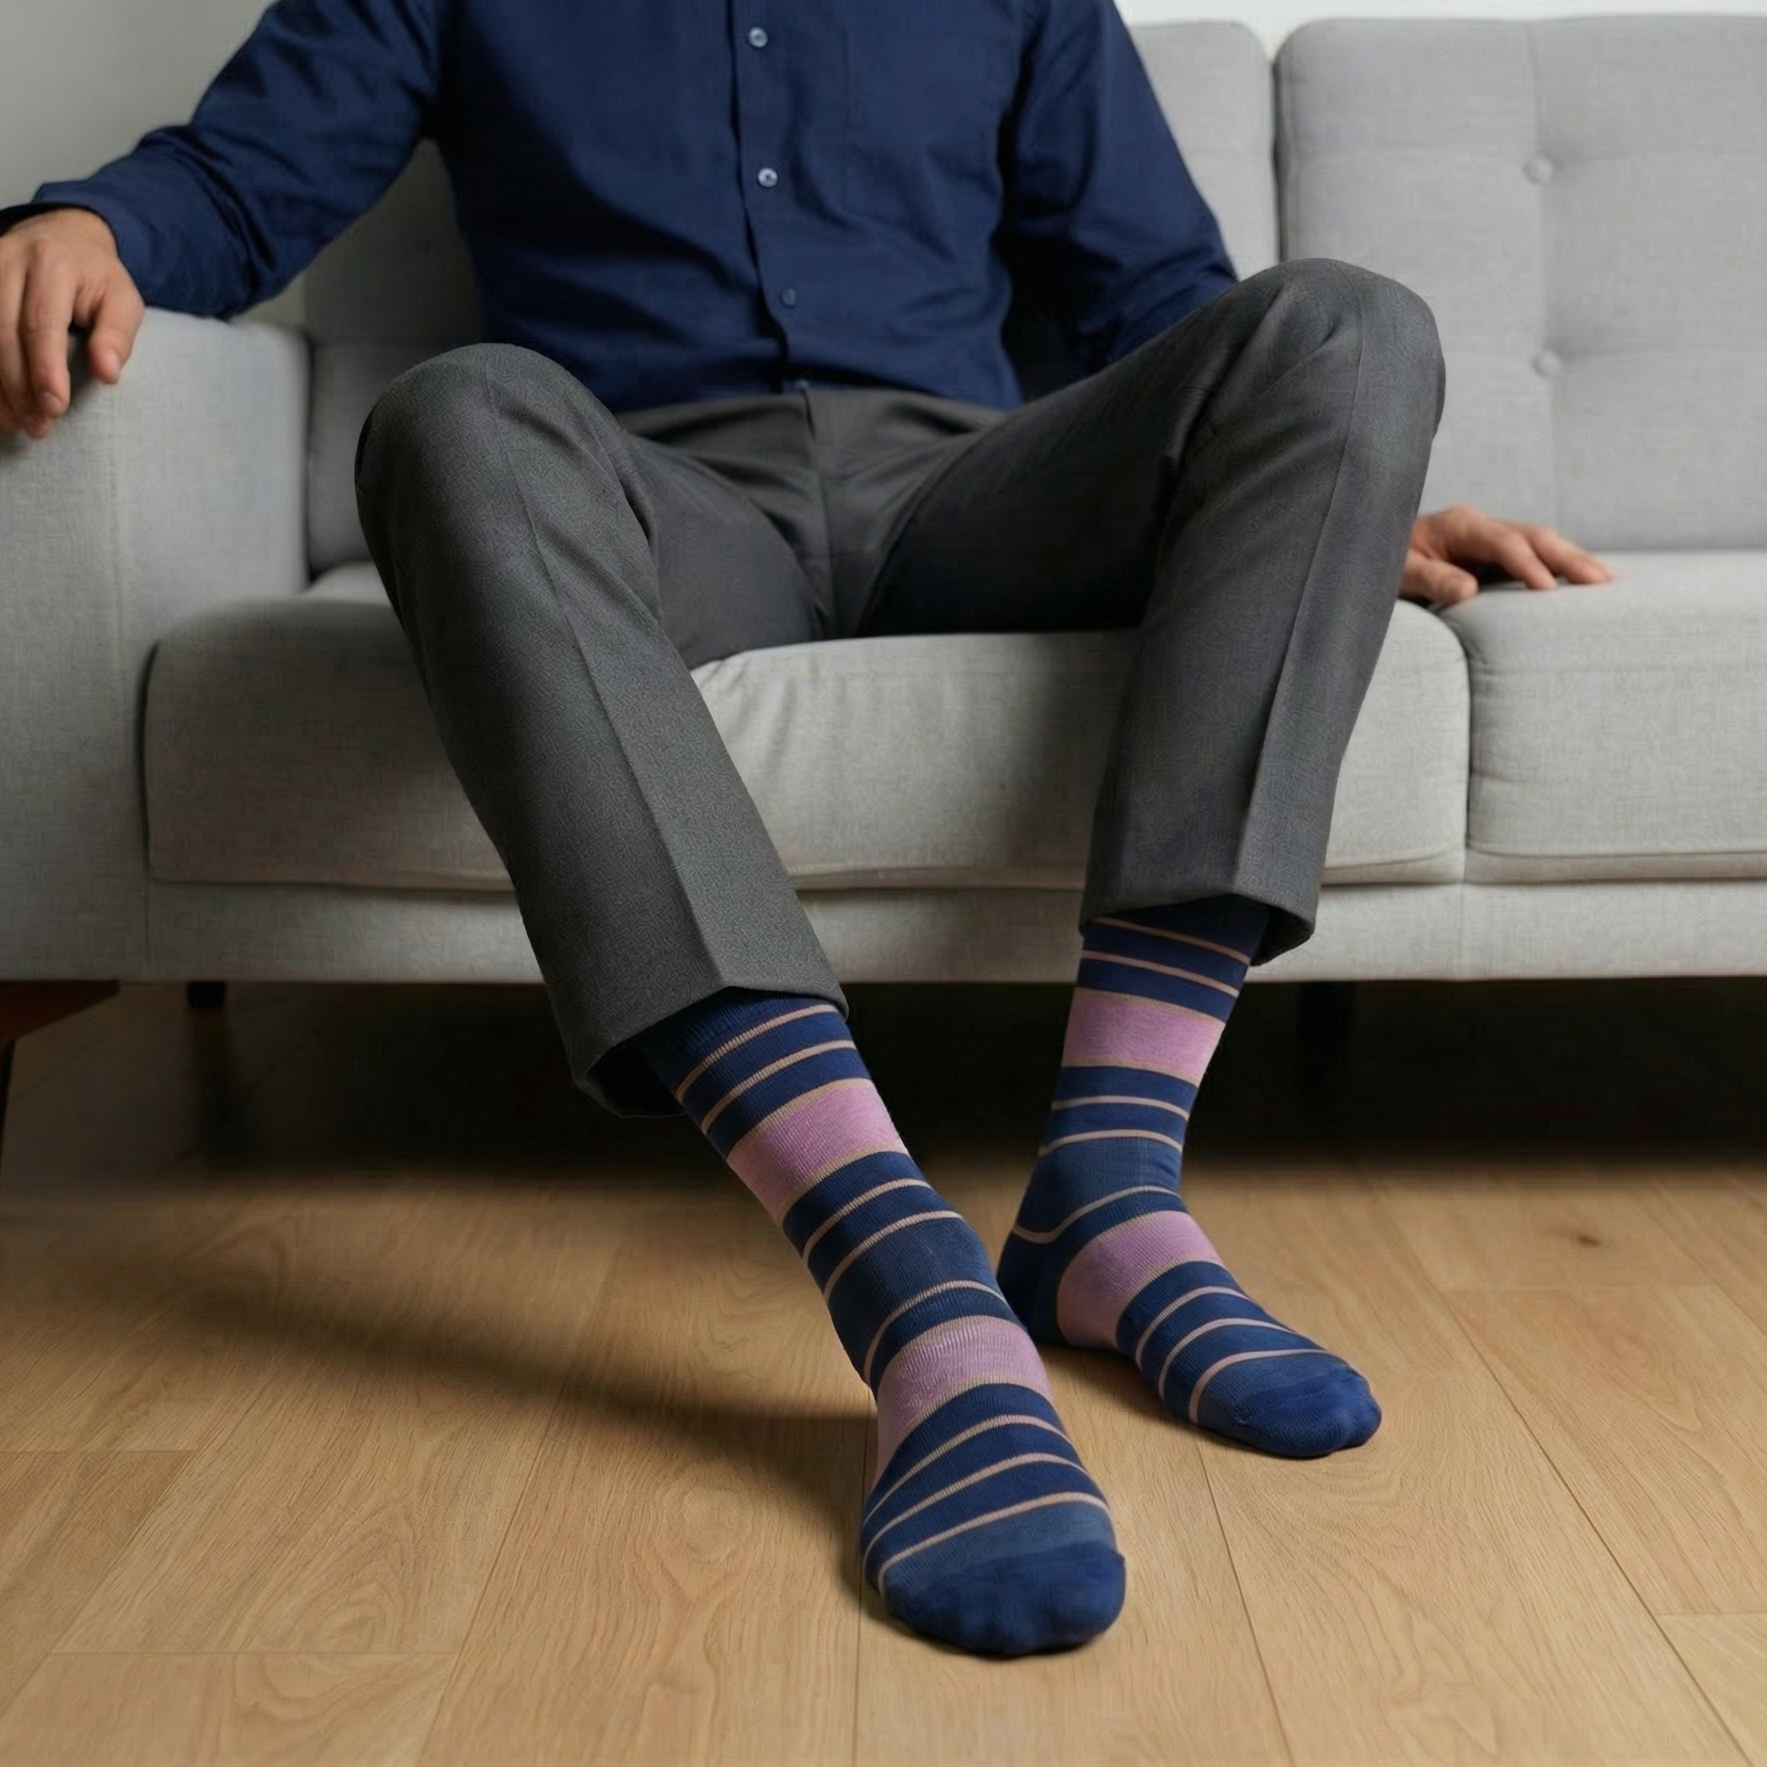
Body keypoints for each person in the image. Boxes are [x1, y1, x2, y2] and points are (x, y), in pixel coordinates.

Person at [0, 0, 1611, 1658]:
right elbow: (243, 178)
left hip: (968, 494)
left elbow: (1157, 302)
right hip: (663, 497)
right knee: (450, 415)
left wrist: (1338, 487)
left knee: (1347, 329)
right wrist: (91, 222)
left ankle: (1110, 1202)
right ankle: (903, 1270)